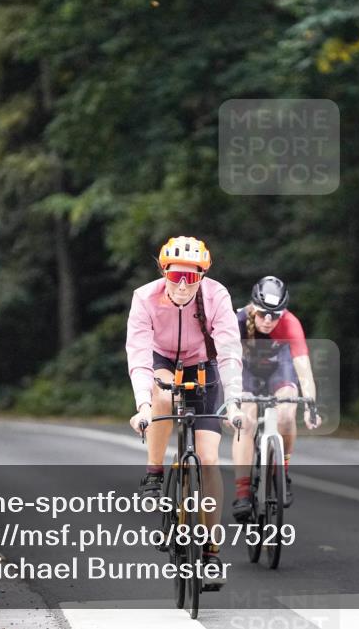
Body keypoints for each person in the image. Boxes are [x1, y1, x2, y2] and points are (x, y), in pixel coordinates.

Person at [126, 236, 245, 584]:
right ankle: (154, 473)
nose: (182, 285)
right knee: (163, 397)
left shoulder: (216, 295)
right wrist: (143, 407)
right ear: (164, 272)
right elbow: (139, 356)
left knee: (208, 459)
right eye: (175, 276)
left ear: (201, 276)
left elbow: (229, 352)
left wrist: (234, 401)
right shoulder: (144, 298)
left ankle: (211, 551)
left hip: (203, 365)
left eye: (190, 278)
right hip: (161, 361)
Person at [231, 276, 321, 521]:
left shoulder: (291, 323)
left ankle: (282, 473)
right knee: (246, 420)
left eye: (275, 315)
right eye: (263, 314)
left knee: (286, 413)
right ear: (253, 307)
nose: (268, 320)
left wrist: (310, 406)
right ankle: (242, 492)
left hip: (279, 368)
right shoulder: (237, 321)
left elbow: (303, 368)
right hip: (246, 371)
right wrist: (231, 404)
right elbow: (225, 365)